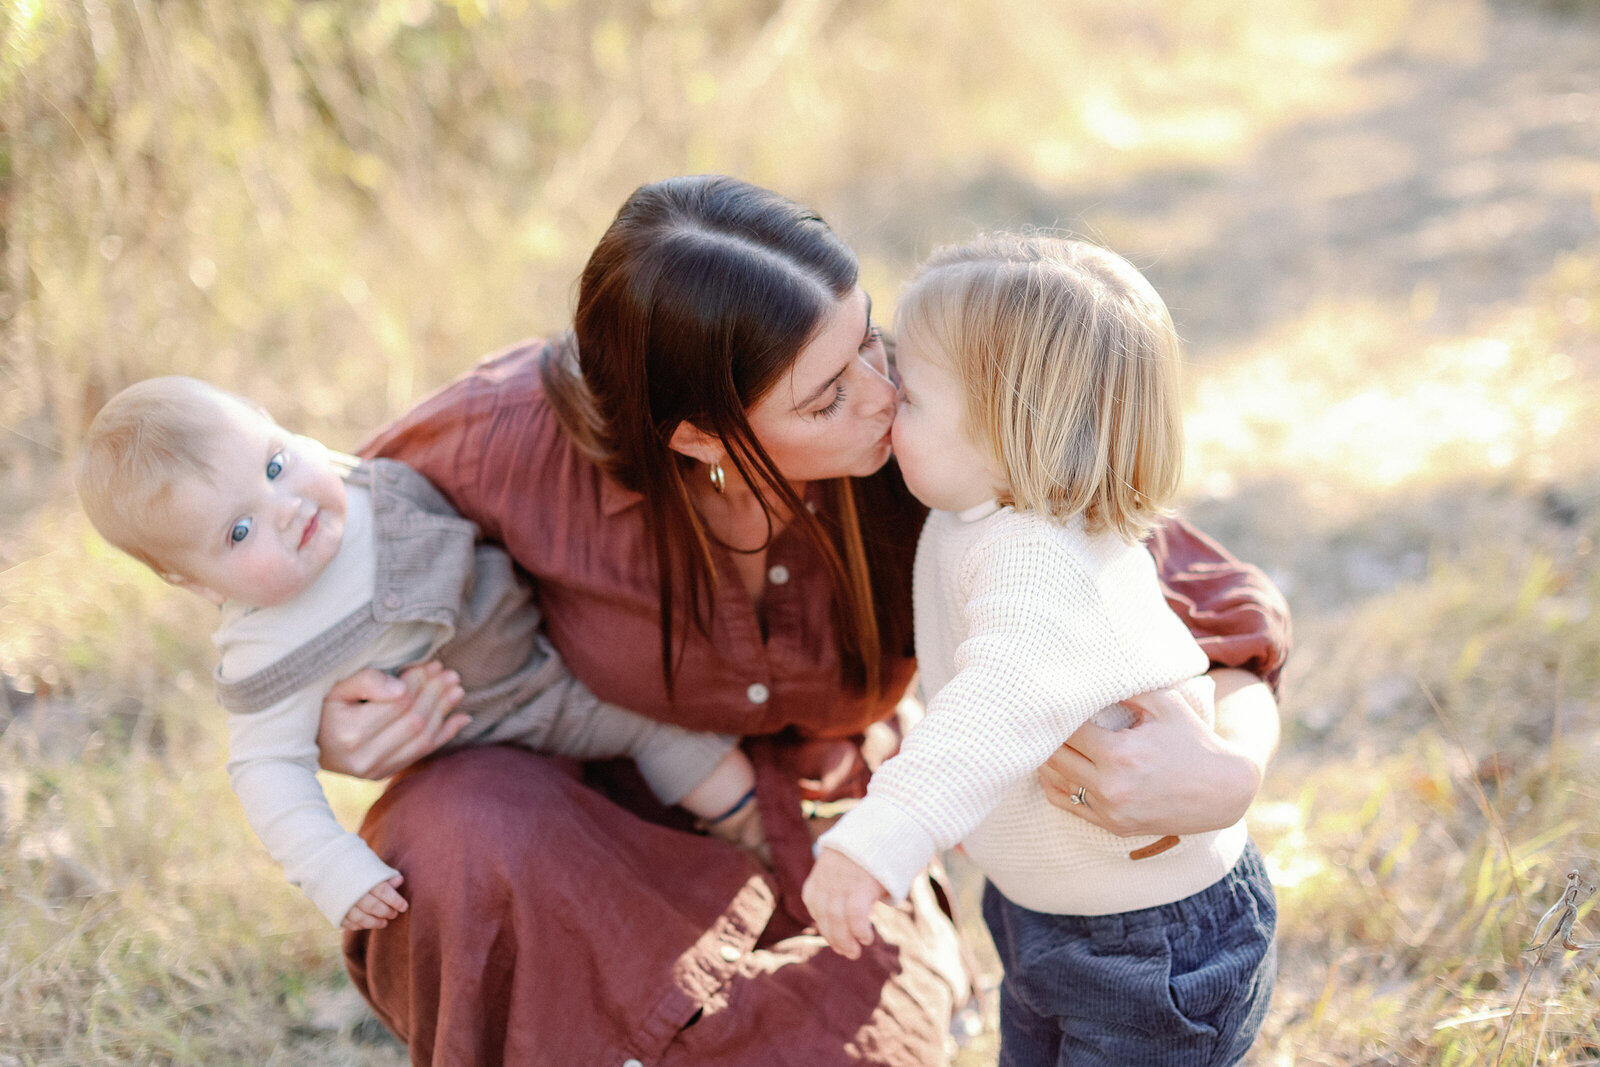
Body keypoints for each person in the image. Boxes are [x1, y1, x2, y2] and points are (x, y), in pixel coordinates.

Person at [313, 175, 1291, 1066]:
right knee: (453, 828)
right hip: (594, 831)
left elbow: (1191, 599)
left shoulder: (952, 439)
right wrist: (329, 717)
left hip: (840, 838)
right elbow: (283, 551)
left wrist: (1225, 769)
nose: (880, 393)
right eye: (828, 395)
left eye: (874, 340)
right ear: (698, 437)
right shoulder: (503, 441)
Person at [802, 236, 1275, 1065]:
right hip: (1053, 910)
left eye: (907, 390)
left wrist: (876, 842)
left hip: (1146, 942)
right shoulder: (976, 512)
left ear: (1007, 428)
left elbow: (992, 705)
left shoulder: (1034, 556)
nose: (882, 399)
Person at [74, 376, 763, 932]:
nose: (285, 506)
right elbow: (266, 772)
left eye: (275, 462)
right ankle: (752, 836)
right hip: (507, 722)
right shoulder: (266, 651)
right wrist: (333, 867)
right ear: (193, 582)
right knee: (663, 735)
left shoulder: (350, 483)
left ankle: (760, 834)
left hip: (552, 636)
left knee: (674, 706)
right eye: (240, 529)